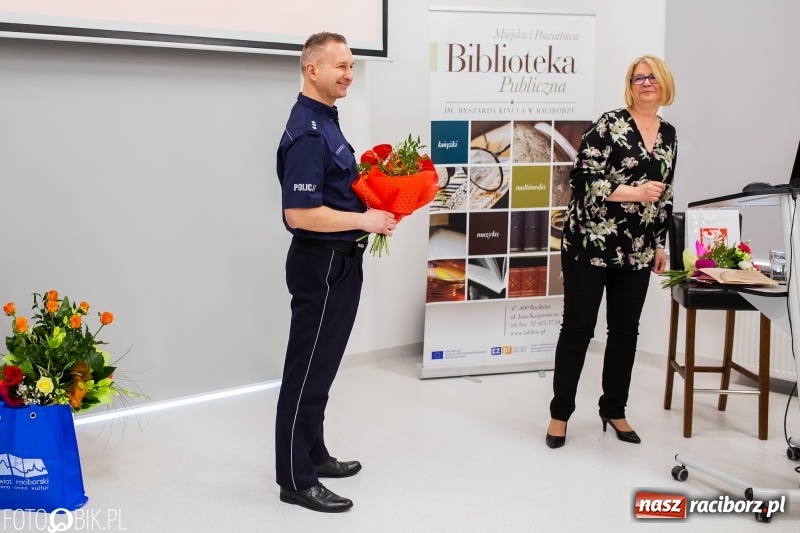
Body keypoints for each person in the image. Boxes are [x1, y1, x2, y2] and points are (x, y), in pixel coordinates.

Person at [274, 32, 396, 512]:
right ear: (312, 70)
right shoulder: (306, 130)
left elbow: (337, 188)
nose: (349, 73)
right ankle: (295, 478)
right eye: (341, 65)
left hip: (341, 262)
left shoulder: (326, 121)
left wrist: (377, 201)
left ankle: (314, 453)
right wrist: (365, 220)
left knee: (321, 369)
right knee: (305, 373)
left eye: (351, 66)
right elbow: (299, 214)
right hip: (320, 265)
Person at [545, 55, 677, 449]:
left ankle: (614, 409)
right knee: (578, 328)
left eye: (652, 77)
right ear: (630, 85)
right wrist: (634, 192)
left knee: (624, 333)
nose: (646, 82)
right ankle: (560, 415)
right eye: (638, 77)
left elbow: (666, 193)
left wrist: (658, 243)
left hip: (636, 248)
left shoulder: (669, 133)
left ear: (664, 83)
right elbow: (582, 179)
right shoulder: (609, 124)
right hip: (590, 242)